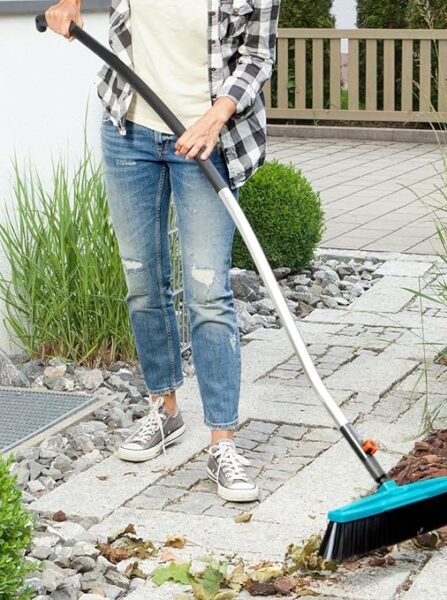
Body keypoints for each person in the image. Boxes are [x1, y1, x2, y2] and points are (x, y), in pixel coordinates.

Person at [44, 0, 280, 503]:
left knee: (207, 293)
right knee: (143, 281)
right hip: (128, 131)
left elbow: (258, 57)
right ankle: (165, 409)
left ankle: (222, 441)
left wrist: (215, 117)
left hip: (207, 138)